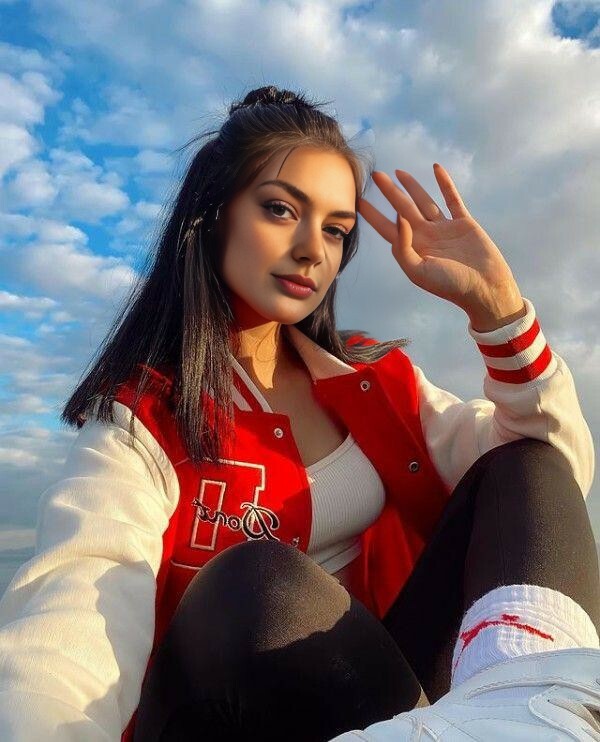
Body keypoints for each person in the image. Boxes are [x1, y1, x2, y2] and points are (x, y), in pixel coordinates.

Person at [0, 84, 598, 742]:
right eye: (281, 209)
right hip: (215, 720)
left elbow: (552, 482)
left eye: (336, 230)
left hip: (382, 706)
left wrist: (498, 311)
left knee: (525, 464)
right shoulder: (143, 419)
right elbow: (79, 603)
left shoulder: (374, 378)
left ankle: (527, 713)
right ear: (214, 214)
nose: (314, 249)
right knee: (260, 584)